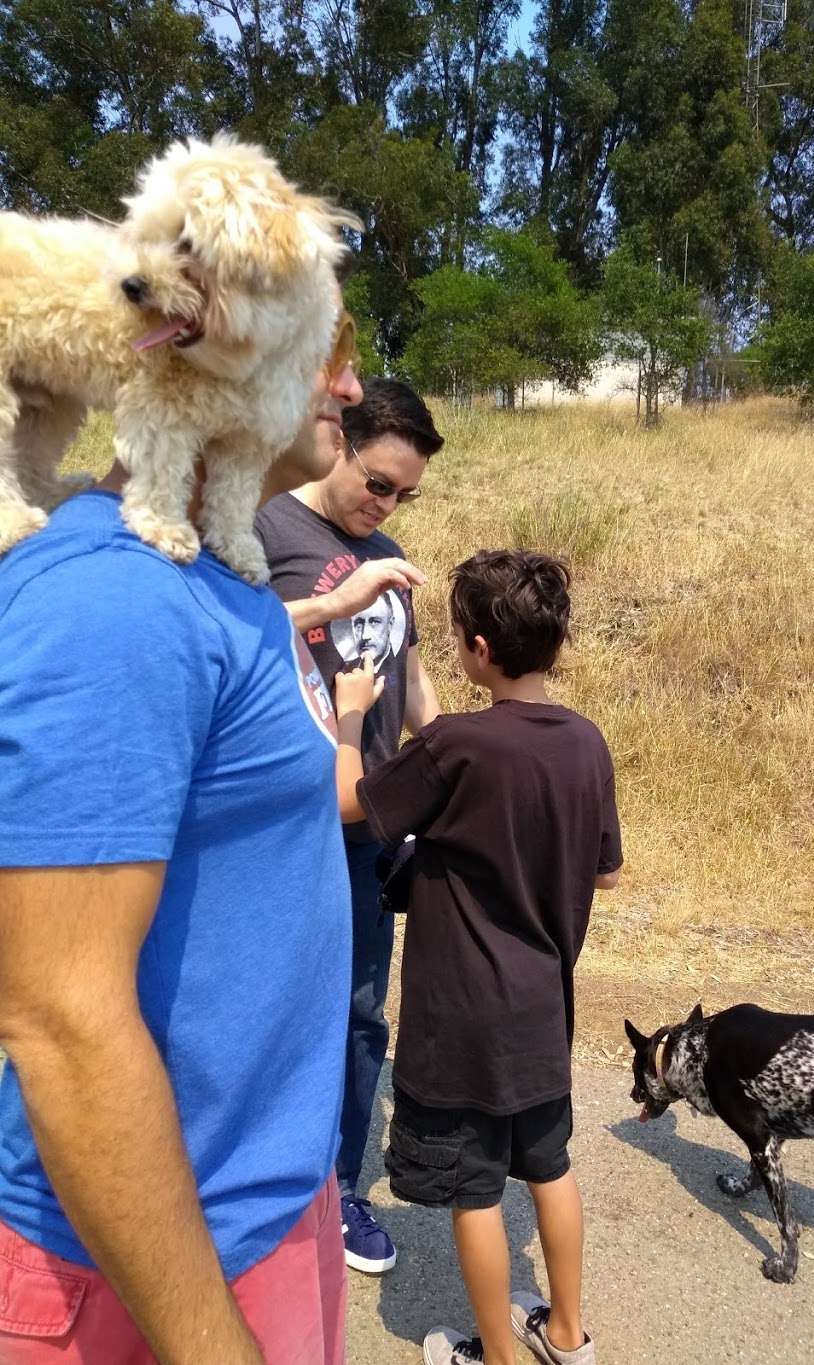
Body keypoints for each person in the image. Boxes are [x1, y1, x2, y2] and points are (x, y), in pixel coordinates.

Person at [0, 311, 365, 1365]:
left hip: (257, 1207)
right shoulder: (117, 600)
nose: (347, 390)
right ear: (222, 359)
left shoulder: (223, 579)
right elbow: (59, 1018)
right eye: (329, 356)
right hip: (137, 1266)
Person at [334, 550, 623, 1365]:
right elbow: (606, 865)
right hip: (543, 1005)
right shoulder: (585, 742)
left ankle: (493, 1353)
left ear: (480, 648)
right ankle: (567, 1334)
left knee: (474, 1189)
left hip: (461, 1019)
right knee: (550, 1166)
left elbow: (351, 799)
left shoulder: (459, 745)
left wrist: (354, 715)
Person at [255, 377, 444, 1276]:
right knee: (270, 1006)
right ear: (338, 443)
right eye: (377, 481)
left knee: (363, 1016)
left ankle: (339, 1189)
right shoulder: (264, 527)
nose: (387, 503)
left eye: (404, 492)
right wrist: (334, 601)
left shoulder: (391, 545)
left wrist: (454, 756)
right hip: (280, 822)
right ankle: (256, 1184)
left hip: (370, 822)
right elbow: (226, 633)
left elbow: (408, 676)